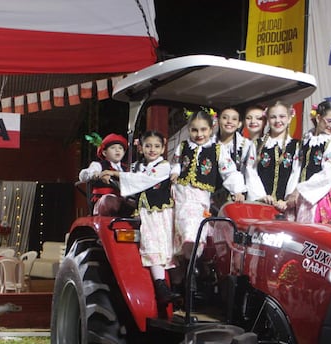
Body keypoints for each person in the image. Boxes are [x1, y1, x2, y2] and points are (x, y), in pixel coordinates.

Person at [101, 131, 179, 306]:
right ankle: (161, 288)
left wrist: (115, 175)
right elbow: (129, 180)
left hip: (160, 213)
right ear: (141, 147)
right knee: (152, 246)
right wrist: (108, 175)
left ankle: (173, 287)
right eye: (148, 146)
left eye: (157, 146)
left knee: (166, 248)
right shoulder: (136, 166)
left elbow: (143, 180)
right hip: (144, 213)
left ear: (163, 148)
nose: (152, 150)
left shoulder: (164, 166)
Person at [171, 109, 246, 261]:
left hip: (200, 195)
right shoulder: (183, 146)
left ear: (212, 128)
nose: (199, 134)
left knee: (196, 220)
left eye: (203, 129)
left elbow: (229, 171)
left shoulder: (218, 149)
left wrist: (237, 190)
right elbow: (176, 163)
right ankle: (185, 255)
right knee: (180, 219)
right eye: (194, 130)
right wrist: (175, 172)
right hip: (181, 191)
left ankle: (193, 252)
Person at [285, 100, 331, 223]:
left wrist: (300, 190)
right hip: (301, 193)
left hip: (319, 195)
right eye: (329, 121)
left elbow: (327, 175)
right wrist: (292, 192)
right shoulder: (306, 139)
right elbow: (297, 168)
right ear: (318, 118)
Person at [244, 100, 301, 212]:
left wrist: (287, 199)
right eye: (273, 117)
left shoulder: (296, 145)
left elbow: (296, 173)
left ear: (289, 118)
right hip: (261, 204)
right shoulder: (257, 144)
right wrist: (261, 196)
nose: (278, 120)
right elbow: (251, 172)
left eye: (282, 116)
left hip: (285, 207)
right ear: (268, 120)